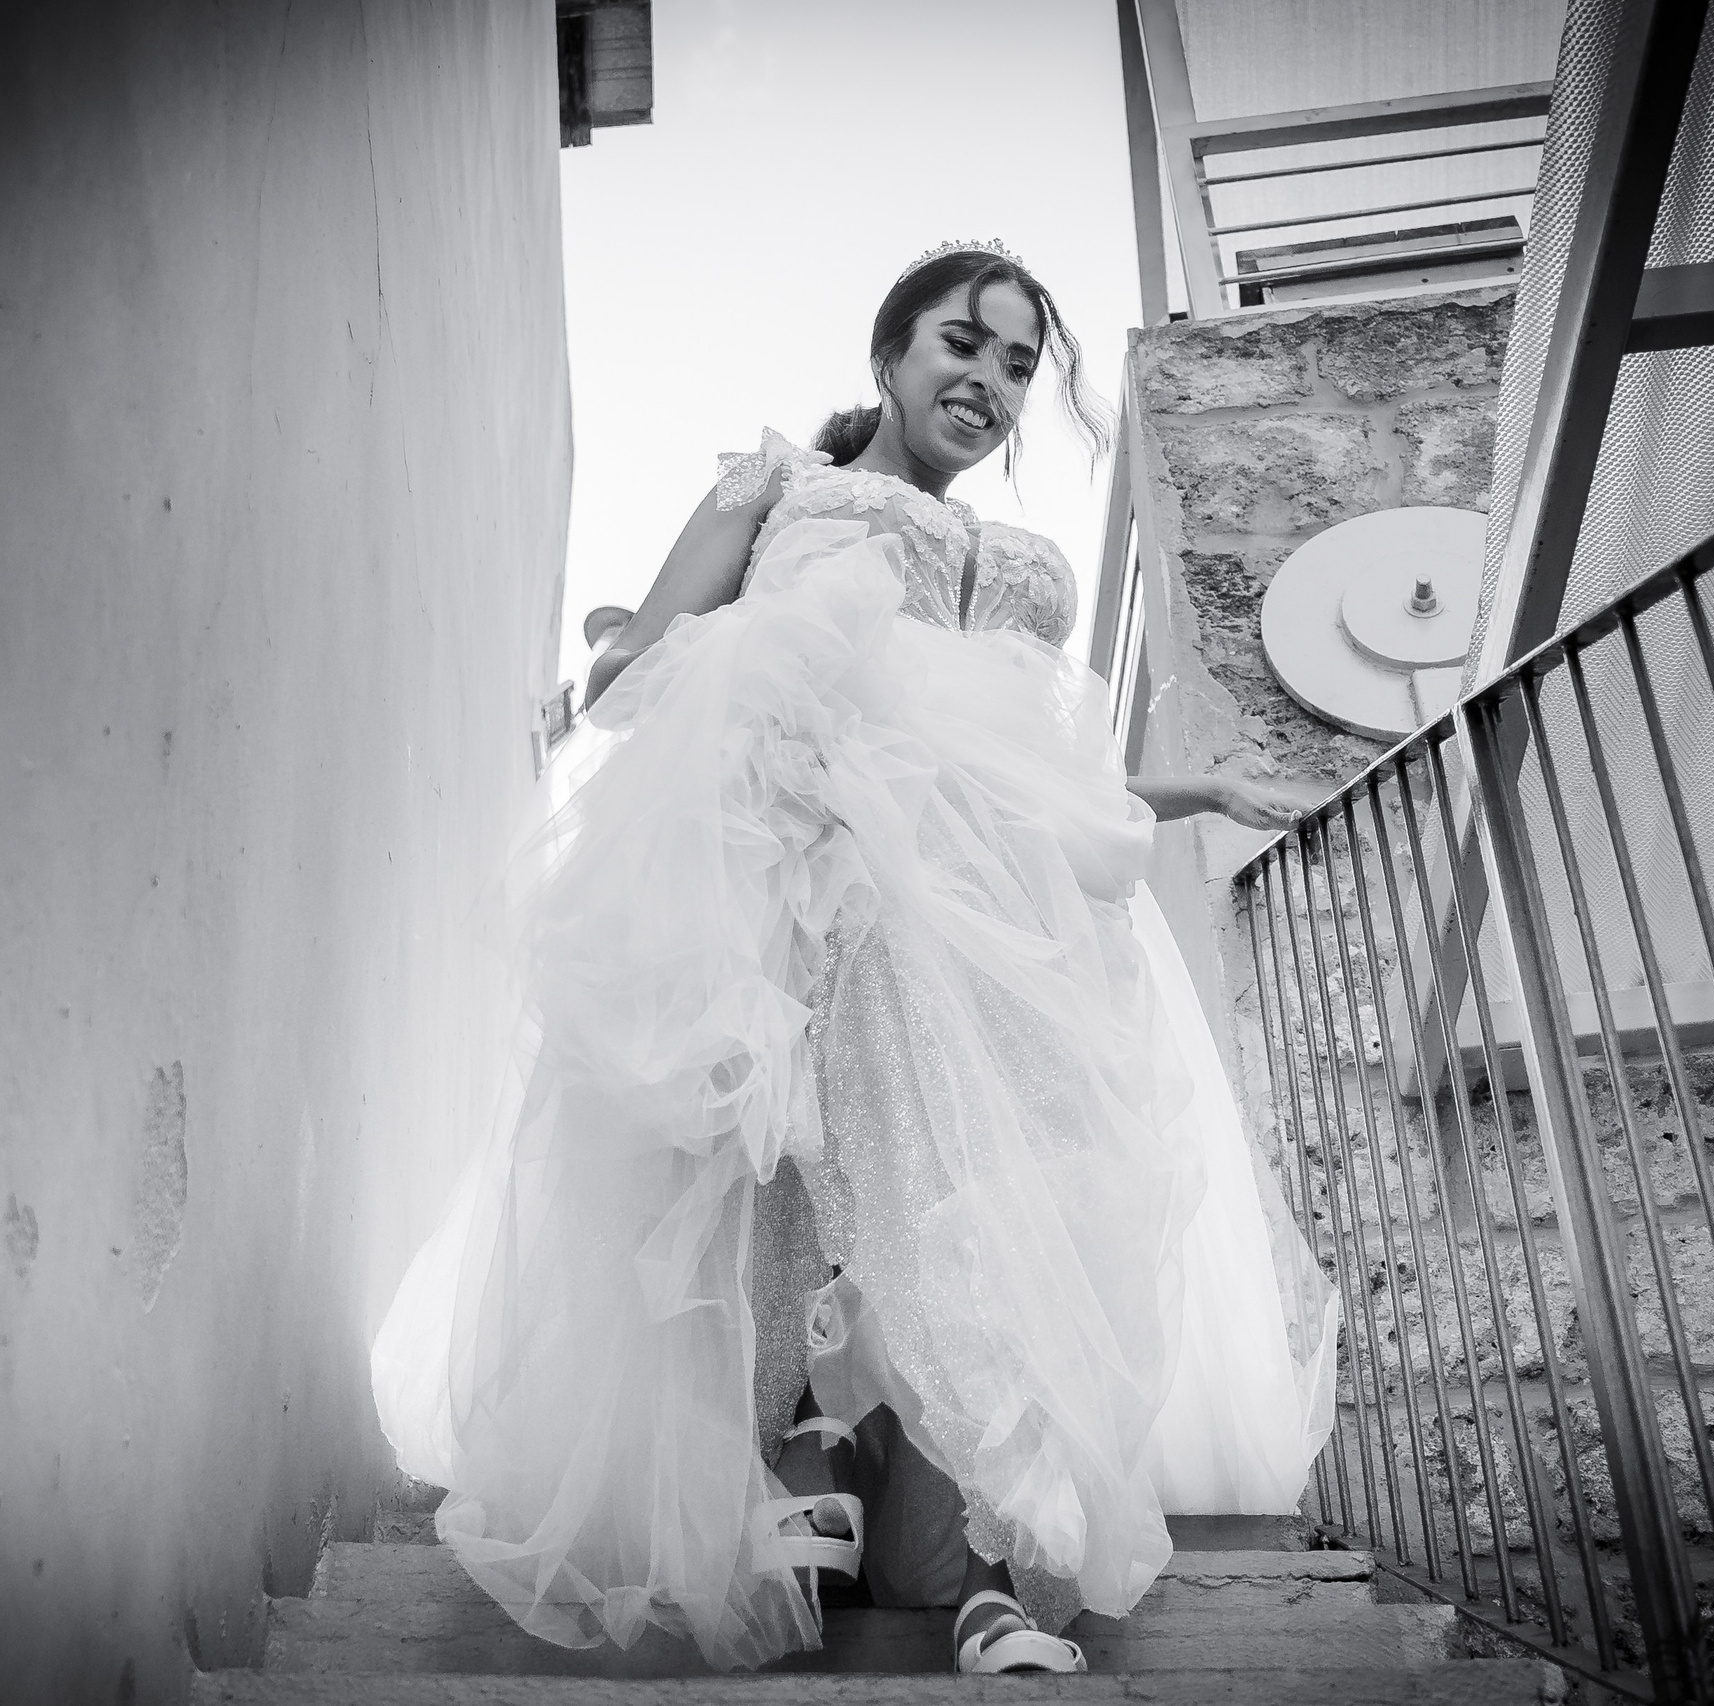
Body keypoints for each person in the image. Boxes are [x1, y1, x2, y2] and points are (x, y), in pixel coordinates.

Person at [371, 242, 1337, 1676]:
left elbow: (1033, 757)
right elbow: (644, 663)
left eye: (1019, 366)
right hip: (776, 879)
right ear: (886, 356)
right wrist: (623, 651)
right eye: (965, 344)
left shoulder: (1011, 565)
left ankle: (985, 1572)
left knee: (969, 1191)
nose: (992, 383)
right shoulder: (774, 489)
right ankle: (781, 1503)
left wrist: (1194, 794)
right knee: (755, 1196)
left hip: (944, 906)